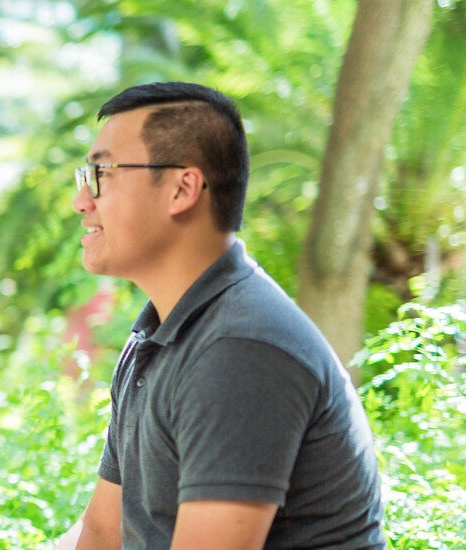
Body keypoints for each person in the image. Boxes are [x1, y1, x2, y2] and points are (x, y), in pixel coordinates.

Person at [56, 82, 383, 549]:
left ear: (182, 188)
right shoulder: (156, 338)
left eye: (102, 173)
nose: (81, 200)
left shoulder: (242, 348)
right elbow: (103, 534)